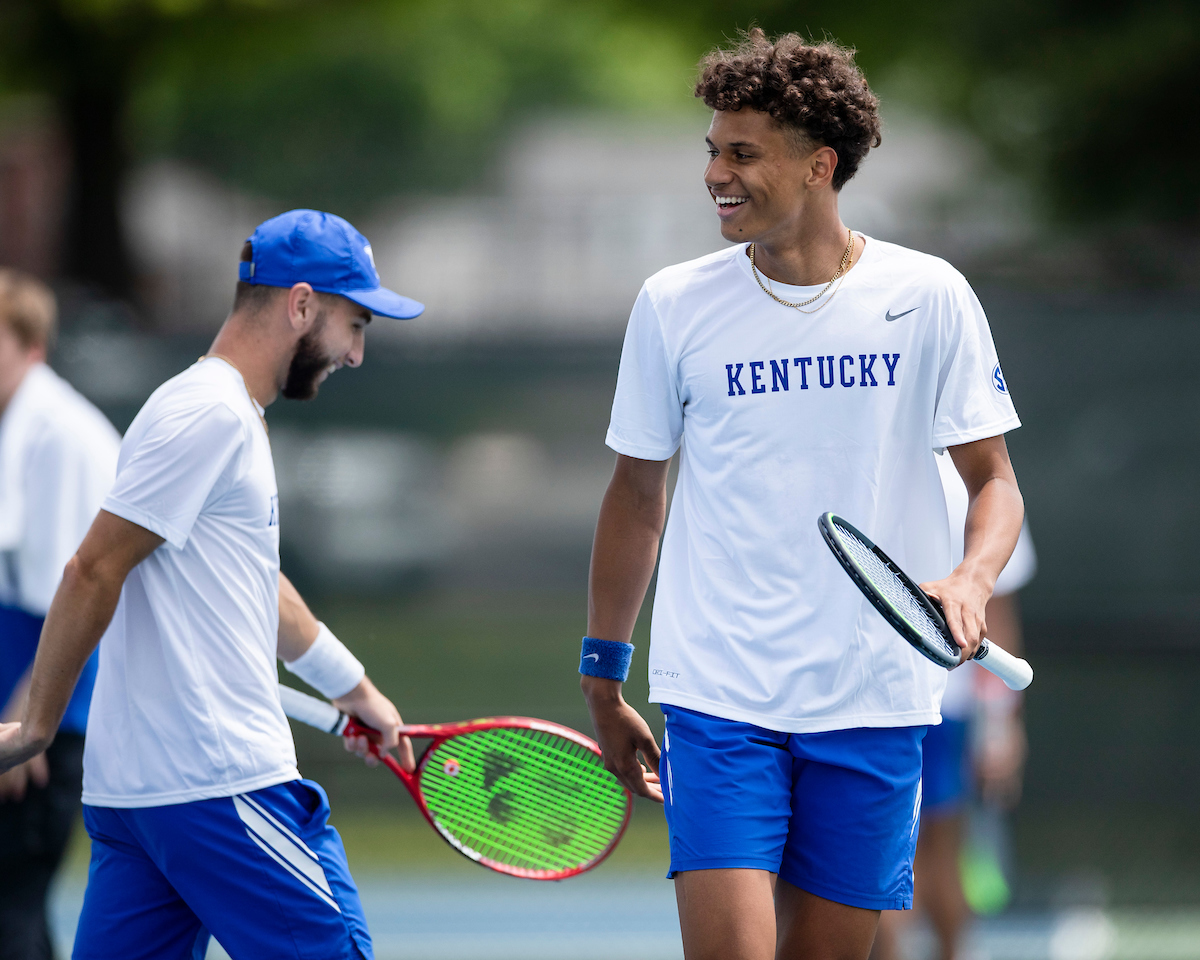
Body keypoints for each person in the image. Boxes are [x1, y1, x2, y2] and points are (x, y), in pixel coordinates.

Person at [578, 30, 1025, 960]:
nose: (714, 173)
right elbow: (635, 495)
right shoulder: (672, 305)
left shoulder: (929, 294)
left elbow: (994, 485)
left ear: (820, 165)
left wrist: (973, 580)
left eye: (742, 153)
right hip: (720, 696)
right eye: (711, 149)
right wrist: (602, 669)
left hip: (875, 701)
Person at [0, 210, 425, 960]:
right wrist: (37, 723)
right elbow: (93, 567)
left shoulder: (220, 414)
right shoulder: (210, 414)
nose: (356, 353)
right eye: (353, 323)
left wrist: (352, 686)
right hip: (219, 787)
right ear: (300, 304)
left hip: (145, 799)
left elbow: (256, 585)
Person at [0, 269, 121, 960]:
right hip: (26, 707)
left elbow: (76, 592)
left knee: (10, 906)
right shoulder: (16, 427)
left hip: (51, 723)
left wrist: (26, 727)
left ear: (30, 345)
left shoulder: (59, 434)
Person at [870, 452, 1034, 960]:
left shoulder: (976, 481)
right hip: (883, 707)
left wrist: (1000, 728)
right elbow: (1001, 615)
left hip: (933, 709)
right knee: (901, 865)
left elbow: (998, 610)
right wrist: (1001, 728)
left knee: (913, 864)